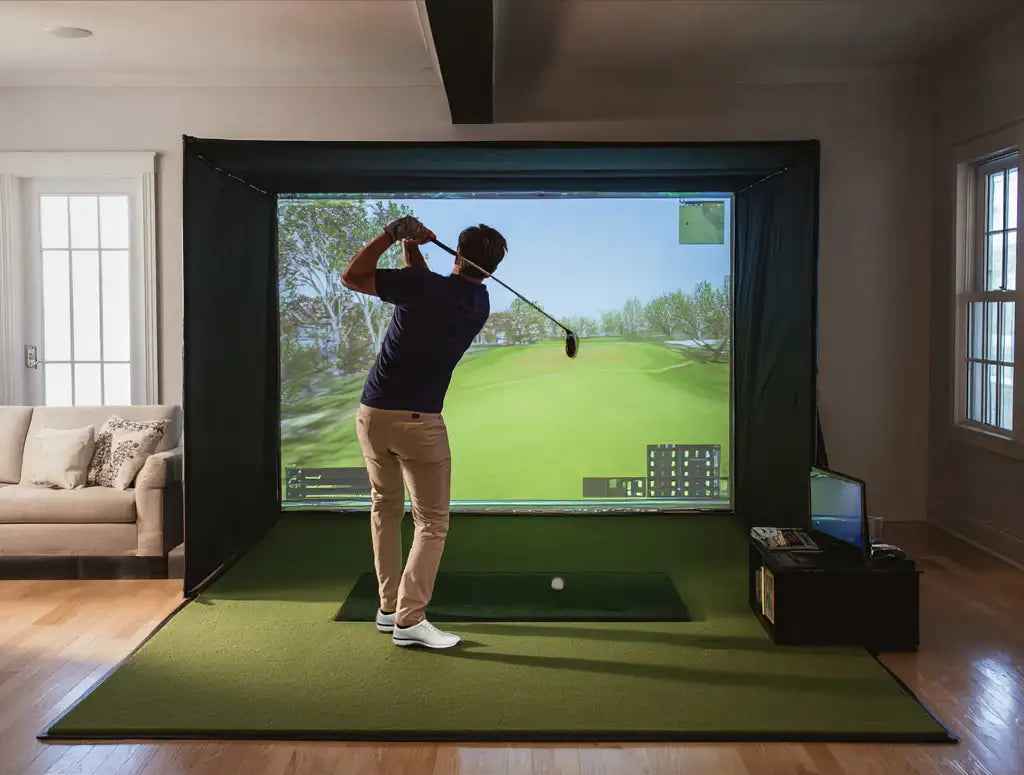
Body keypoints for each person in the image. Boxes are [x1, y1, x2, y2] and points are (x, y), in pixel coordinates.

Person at [341, 216, 506, 649]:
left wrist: (395, 236)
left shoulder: (421, 287)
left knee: (385, 508)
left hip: (373, 414)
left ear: (458, 253)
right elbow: (425, 284)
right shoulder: (478, 303)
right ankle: (410, 620)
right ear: (491, 269)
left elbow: (352, 277)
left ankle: (388, 608)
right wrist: (412, 245)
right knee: (431, 522)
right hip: (419, 425)